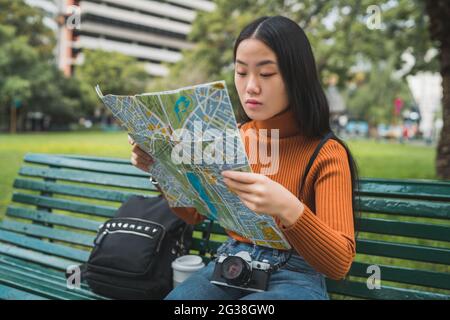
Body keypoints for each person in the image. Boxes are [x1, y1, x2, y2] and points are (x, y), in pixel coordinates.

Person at [129, 16, 358, 300]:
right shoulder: (231, 137)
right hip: (231, 264)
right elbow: (194, 214)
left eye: (266, 74)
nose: (250, 86)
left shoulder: (326, 152)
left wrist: (288, 207)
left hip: (296, 276)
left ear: (296, 76)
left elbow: (339, 264)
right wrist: (161, 170)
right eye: (241, 72)